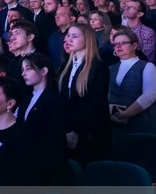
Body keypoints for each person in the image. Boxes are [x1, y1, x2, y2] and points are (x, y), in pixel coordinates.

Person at [58, 23, 110, 165]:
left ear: (87, 40)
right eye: (68, 35)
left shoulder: (98, 67)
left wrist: (74, 130)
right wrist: (67, 128)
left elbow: (95, 104)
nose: (69, 39)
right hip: (68, 130)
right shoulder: (67, 65)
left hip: (89, 133)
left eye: (74, 36)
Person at [108, 27, 156, 137]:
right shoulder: (110, 69)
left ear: (134, 46)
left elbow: (149, 96)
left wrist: (126, 114)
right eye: (116, 44)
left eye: (123, 43)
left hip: (145, 124)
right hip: (117, 126)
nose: (118, 46)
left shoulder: (147, 66)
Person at [18, 54, 66, 184]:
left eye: (28, 68)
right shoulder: (26, 98)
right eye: (22, 70)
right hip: (27, 161)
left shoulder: (54, 100)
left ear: (44, 71)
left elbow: (54, 139)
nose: (23, 73)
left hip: (45, 168)